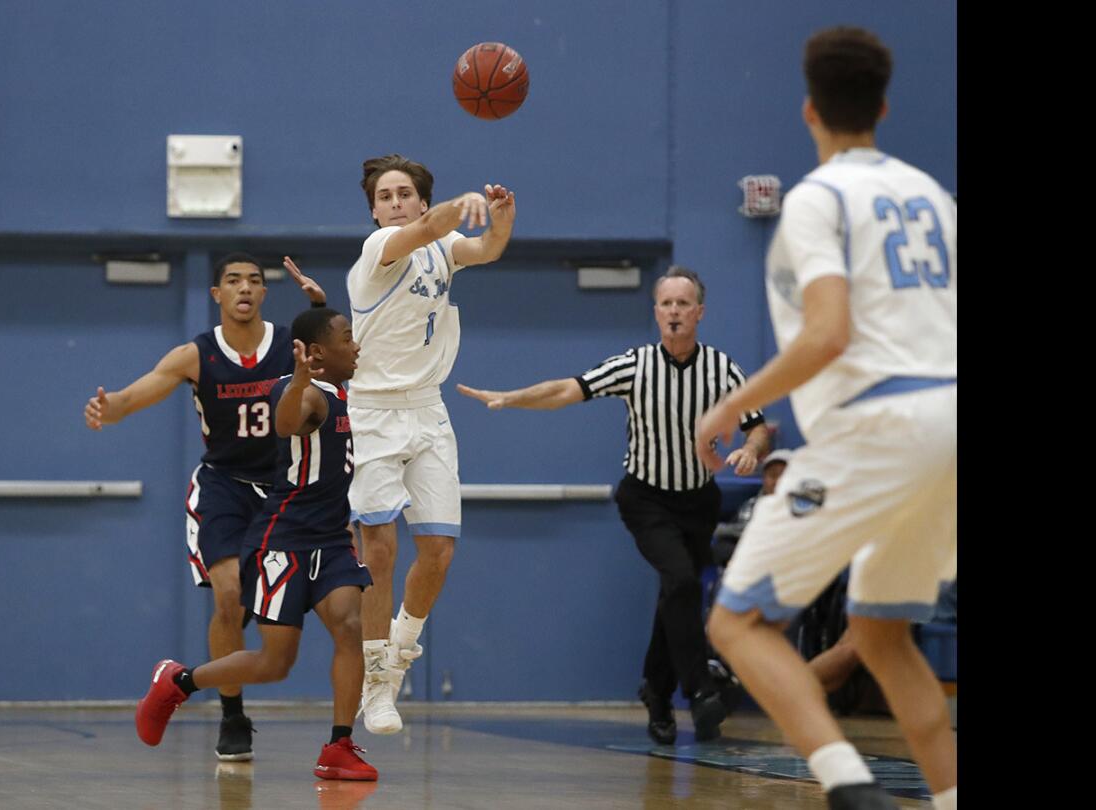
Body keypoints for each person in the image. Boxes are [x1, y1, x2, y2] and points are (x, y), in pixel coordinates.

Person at [693, 26, 957, 810]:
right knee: (880, 632)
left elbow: (828, 332)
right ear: (881, 105)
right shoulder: (932, 196)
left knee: (736, 623)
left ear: (810, 112)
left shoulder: (818, 199)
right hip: (946, 419)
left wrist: (731, 407)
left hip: (879, 422)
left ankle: (848, 788)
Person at [457, 265, 773, 745]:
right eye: (666, 303)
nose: (673, 312)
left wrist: (751, 449)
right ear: (656, 312)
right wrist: (511, 398)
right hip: (646, 498)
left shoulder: (721, 370)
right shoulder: (635, 364)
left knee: (677, 593)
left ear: (699, 313)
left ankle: (657, 694)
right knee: (683, 580)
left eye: (683, 304)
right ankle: (700, 691)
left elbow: (758, 423)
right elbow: (568, 388)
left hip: (697, 500)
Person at [84, 253, 327, 761]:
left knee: (288, 613)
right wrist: (112, 408)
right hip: (223, 486)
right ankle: (232, 715)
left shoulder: (289, 346)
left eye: (254, 281)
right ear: (216, 294)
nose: (244, 288)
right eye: (233, 281)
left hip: (283, 489)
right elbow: (135, 395)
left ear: (264, 293)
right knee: (228, 595)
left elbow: (341, 368)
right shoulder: (196, 354)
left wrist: (325, 311)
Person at [133, 307, 379, 781]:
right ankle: (179, 682)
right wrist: (301, 381)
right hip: (283, 540)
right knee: (273, 663)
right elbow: (288, 422)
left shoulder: (341, 388)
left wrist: (321, 305)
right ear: (319, 355)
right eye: (349, 338)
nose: (357, 345)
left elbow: (321, 334)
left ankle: (339, 746)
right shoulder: (298, 392)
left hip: (331, 540)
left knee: (350, 627)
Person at [344, 154, 517, 734]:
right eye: (385, 196)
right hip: (372, 411)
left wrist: (499, 218)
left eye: (404, 194)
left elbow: (487, 249)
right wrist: (454, 210)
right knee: (379, 549)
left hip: (427, 409)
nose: (394, 202)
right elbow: (430, 228)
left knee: (439, 550)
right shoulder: (378, 251)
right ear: (374, 210)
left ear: (419, 198)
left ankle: (397, 654)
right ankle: (376, 683)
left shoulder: (443, 250)